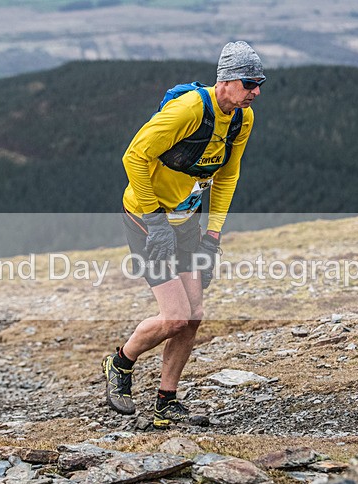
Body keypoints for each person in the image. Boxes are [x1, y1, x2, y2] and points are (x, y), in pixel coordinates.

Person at [103, 41, 265, 428]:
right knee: (174, 318)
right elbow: (134, 157)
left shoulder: (243, 119)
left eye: (260, 83)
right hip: (147, 219)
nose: (256, 91)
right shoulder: (190, 110)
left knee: (193, 317)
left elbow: (228, 175)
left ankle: (166, 400)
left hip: (187, 222)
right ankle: (120, 363)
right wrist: (155, 220)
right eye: (248, 82)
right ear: (225, 81)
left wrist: (213, 235)